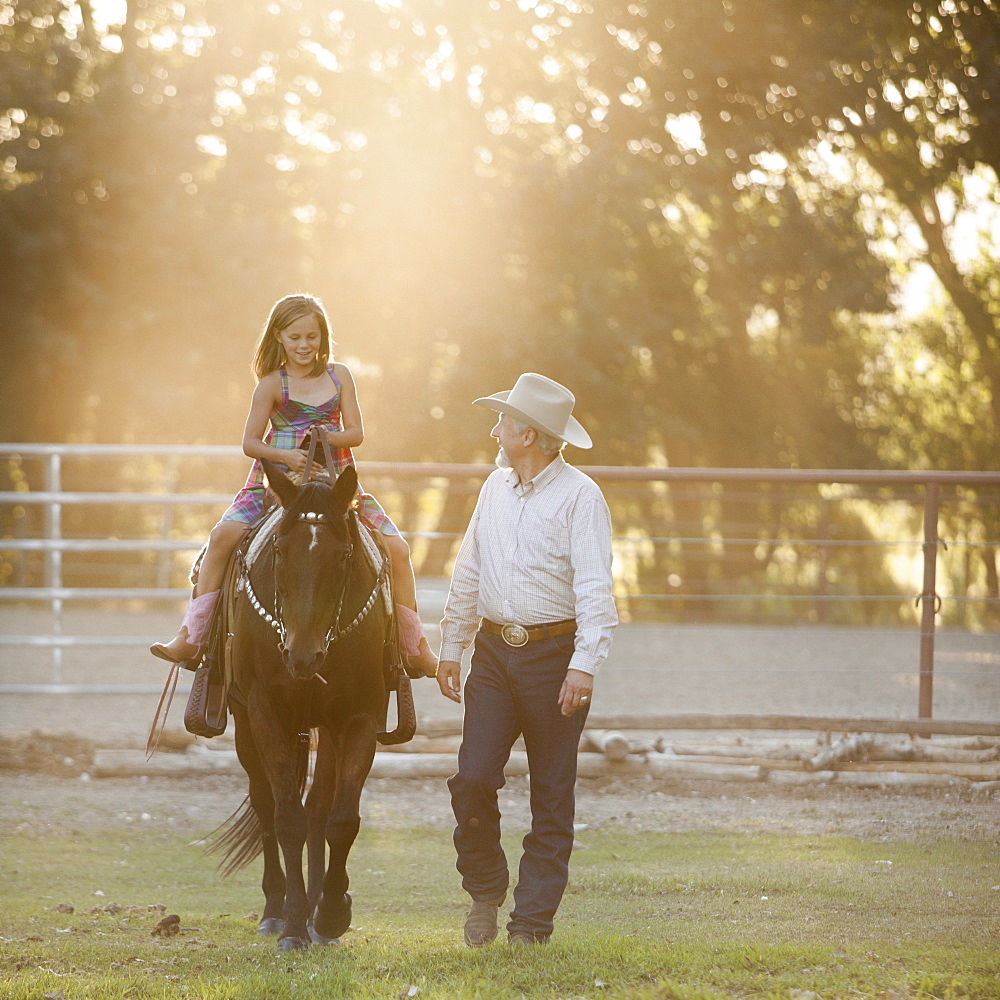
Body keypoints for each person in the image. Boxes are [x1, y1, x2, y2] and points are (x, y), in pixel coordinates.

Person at [150, 292, 437, 677]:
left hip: (333, 480)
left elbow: (356, 433)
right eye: (295, 337)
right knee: (221, 538)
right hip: (273, 482)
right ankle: (193, 634)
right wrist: (285, 457)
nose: (305, 345)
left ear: (323, 337)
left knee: (398, 550)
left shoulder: (340, 376)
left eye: (312, 337)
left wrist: (324, 438)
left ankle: (413, 644)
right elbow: (250, 441)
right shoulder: (272, 384)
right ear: (279, 337)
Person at [436, 372, 617, 947]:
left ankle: (531, 924)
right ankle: (485, 891)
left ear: (530, 435)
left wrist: (583, 664)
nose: (494, 428)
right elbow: (469, 570)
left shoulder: (581, 498)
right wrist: (452, 644)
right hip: (492, 653)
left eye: (503, 421)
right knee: (471, 778)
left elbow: (595, 588)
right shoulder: (493, 488)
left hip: (554, 658)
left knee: (551, 795)